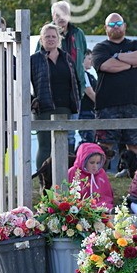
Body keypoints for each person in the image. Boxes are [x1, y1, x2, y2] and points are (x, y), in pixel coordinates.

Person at [92, 13, 137, 170]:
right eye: (111, 24)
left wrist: (118, 57)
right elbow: (106, 66)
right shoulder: (100, 48)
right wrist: (131, 64)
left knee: (135, 145)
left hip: (135, 103)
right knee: (105, 146)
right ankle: (99, 178)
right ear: (105, 28)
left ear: (124, 26)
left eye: (118, 23)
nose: (115, 27)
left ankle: (136, 177)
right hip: (107, 105)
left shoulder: (136, 44)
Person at [30, 23, 81, 173]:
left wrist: (76, 102)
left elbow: (76, 81)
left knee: (62, 146)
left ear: (59, 39)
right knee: (45, 146)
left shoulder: (67, 58)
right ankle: (43, 180)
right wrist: (31, 101)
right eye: (47, 36)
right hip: (43, 108)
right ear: (41, 39)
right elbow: (24, 84)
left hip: (64, 108)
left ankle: (63, 178)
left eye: (54, 36)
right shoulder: (34, 59)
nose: (51, 39)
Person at [49, 0, 96, 145]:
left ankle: (68, 159)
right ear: (53, 16)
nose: (61, 18)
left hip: (75, 91)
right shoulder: (47, 34)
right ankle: (53, 160)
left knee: (71, 133)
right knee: (52, 133)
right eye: (58, 15)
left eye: (65, 14)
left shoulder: (78, 34)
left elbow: (82, 57)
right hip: (53, 92)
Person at [67, 141, 115, 211]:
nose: (95, 166)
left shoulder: (101, 173)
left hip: (100, 207)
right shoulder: (73, 172)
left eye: (98, 163)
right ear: (83, 161)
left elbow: (106, 196)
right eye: (92, 163)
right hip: (79, 208)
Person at [76, 51, 98, 144]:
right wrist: (101, 104)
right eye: (89, 59)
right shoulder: (83, 75)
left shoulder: (89, 75)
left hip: (90, 111)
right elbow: (89, 92)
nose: (91, 61)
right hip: (86, 111)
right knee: (88, 140)